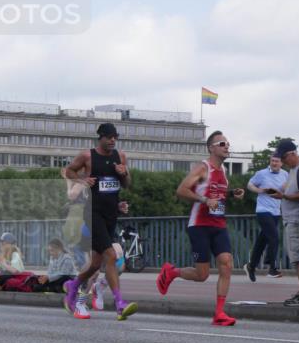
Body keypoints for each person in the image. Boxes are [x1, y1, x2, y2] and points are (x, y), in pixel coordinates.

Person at [155, 130, 246, 326]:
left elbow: (216, 195)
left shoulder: (223, 172)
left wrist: (231, 194)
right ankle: (171, 272)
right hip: (200, 225)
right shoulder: (202, 168)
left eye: (228, 143)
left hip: (218, 224)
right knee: (202, 275)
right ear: (211, 148)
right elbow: (181, 190)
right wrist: (204, 199)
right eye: (222, 144)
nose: (227, 146)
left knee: (226, 263)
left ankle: (219, 313)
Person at [62, 123, 137, 322]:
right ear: (100, 138)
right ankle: (120, 304)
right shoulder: (87, 156)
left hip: (111, 214)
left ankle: (73, 285)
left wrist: (125, 174)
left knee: (96, 263)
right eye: (109, 137)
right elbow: (68, 171)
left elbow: (126, 185)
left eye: (115, 137)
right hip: (92, 212)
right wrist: (82, 180)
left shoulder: (120, 156)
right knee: (111, 256)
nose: (113, 140)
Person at [273, 139, 299, 306]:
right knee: (295, 257)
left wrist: (283, 196)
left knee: (298, 257)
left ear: (292, 153)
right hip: (290, 219)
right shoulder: (293, 171)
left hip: (297, 218)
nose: (282, 162)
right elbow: (286, 188)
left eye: (283, 158)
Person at [244, 155, 287, 281]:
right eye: (272, 161)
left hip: (276, 212)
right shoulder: (262, 173)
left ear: (281, 163)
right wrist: (259, 190)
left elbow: (286, 189)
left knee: (261, 241)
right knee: (274, 237)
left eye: (277, 161)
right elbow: (249, 184)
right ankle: (272, 267)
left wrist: (284, 192)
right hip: (263, 211)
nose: (274, 163)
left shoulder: (285, 174)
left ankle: (251, 266)